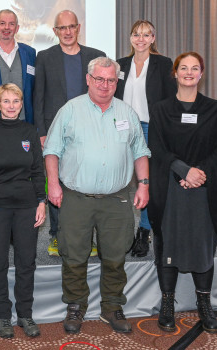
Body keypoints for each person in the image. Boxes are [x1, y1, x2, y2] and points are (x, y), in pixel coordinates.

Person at [43, 57, 150, 334]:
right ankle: (76, 305)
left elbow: (140, 152)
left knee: (115, 256)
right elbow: (51, 150)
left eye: (111, 80)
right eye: (99, 79)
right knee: (74, 255)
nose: (105, 85)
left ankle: (112, 306)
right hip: (76, 198)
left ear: (117, 82)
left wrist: (144, 184)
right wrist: (52, 184)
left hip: (117, 198)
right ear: (89, 80)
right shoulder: (70, 110)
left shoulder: (127, 113)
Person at [148, 52, 217, 334]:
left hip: (204, 188)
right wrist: (184, 171)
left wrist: (198, 173)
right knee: (168, 244)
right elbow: (157, 148)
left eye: (194, 68)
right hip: (171, 187)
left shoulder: (215, 109)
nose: (188, 72)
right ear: (175, 73)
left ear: (201, 73)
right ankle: (167, 304)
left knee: (202, 247)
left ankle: (204, 305)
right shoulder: (160, 110)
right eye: (183, 68)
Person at [0, 84, 46, 339]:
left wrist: (41, 202)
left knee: (26, 262)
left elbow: (38, 170)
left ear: (21, 103)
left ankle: (25, 314)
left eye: (15, 100)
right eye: (6, 101)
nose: (11, 105)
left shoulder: (30, 131)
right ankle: (3, 315)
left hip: (27, 207)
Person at [33, 9, 105, 256]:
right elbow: (38, 97)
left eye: (71, 26)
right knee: (56, 183)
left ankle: (88, 236)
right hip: (56, 132)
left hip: (90, 132)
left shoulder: (97, 57)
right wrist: (41, 132)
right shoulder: (44, 57)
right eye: (61, 28)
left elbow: (106, 96)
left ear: (78, 27)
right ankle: (56, 235)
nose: (67, 32)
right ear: (55, 32)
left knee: (88, 185)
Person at [114, 20, 177, 257]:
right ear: (130, 38)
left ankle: (144, 231)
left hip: (151, 129)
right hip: (122, 129)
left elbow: (171, 101)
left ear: (153, 38)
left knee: (145, 182)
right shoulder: (120, 64)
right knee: (119, 182)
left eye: (146, 34)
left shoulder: (163, 64)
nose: (140, 38)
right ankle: (120, 233)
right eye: (136, 34)